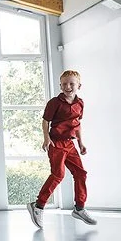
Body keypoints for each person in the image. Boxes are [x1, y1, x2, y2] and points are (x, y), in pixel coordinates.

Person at [27, 70, 96, 229]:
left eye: (72, 83)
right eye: (64, 84)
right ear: (60, 85)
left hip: (70, 144)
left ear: (79, 85)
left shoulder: (80, 103)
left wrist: (81, 143)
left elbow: (77, 124)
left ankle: (79, 208)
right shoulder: (54, 102)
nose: (68, 86)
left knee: (81, 173)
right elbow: (45, 122)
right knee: (58, 174)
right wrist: (46, 138)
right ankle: (38, 206)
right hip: (56, 143)